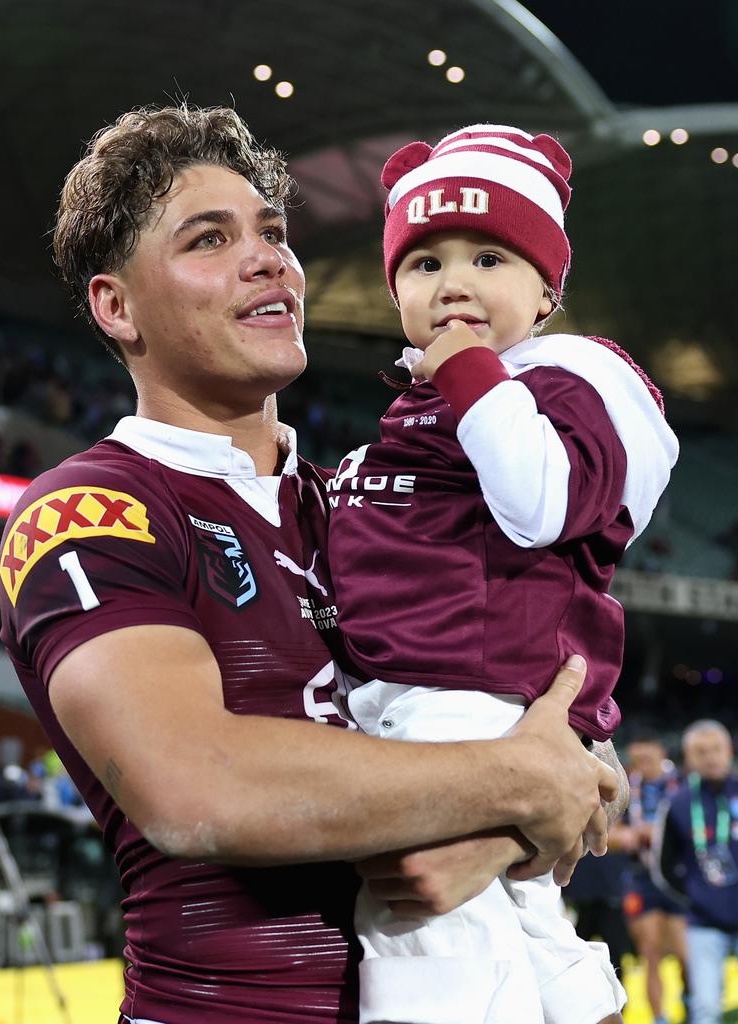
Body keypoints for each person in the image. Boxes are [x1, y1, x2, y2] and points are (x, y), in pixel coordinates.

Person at [0, 105, 621, 1024]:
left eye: (274, 233)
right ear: (114, 305)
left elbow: (573, 743)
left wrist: (560, 776)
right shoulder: (88, 511)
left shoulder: (375, 505)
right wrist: (516, 785)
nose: (268, 260)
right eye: (210, 239)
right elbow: (196, 782)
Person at [326, 123, 679, 1024]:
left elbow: (543, 504)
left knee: (421, 925)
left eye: (489, 257)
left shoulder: (558, 378)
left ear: (549, 290)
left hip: (464, 694)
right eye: (423, 263)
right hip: (428, 692)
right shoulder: (417, 411)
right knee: (526, 929)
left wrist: (475, 376)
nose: (452, 285)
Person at [655, 720, 738, 1024]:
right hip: (703, 922)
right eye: (701, 752)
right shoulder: (677, 803)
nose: (711, 757)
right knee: (705, 1007)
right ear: (689, 758)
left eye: (717, 749)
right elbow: (663, 867)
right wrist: (695, 896)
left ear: (729, 750)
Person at [611, 732, 686, 1024]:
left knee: (684, 953)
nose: (642, 759)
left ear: (660, 750)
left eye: (647, 754)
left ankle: (690, 1000)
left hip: (678, 878)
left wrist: (659, 834)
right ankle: (659, 1018)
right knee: (649, 950)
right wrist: (626, 835)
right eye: (637, 755)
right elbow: (608, 833)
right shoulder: (626, 787)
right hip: (640, 877)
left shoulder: (681, 785)